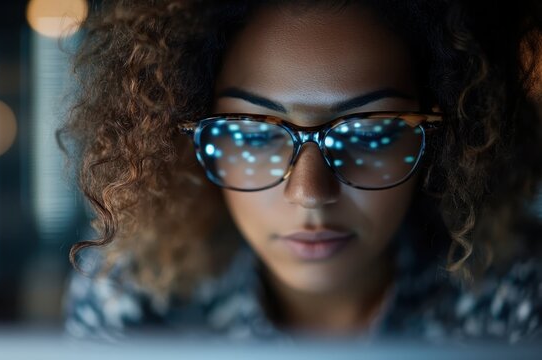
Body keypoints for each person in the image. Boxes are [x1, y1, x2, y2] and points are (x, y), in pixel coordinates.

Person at [59, 0, 542, 344]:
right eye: (251, 134)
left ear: (450, 137)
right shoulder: (136, 296)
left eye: (369, 132)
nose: (310, 193)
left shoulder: (516, 297)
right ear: (181, 142)